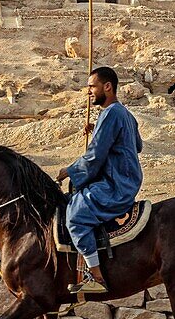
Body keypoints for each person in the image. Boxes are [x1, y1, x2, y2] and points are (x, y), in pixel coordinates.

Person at [58, 66, 143, 294]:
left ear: (108, 87)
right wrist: (98, 130)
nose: (89, 93)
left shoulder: (112, 114)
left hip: (116, 184)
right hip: (127, 179)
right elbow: (138, 145)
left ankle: (95, 275)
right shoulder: (124, 113)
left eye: (92, 87)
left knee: (75, 216)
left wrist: (69, 170)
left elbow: (94, 157)